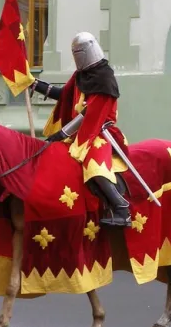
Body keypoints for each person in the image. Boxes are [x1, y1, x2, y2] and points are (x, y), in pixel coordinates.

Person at [29, 32, 131, 227]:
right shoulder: (81, 75)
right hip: (78, 132)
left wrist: (60, 134)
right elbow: (65, 95)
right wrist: (36, 84)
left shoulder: (104, 78)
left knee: (95, 167)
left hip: (99, 132)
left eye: (79, 52)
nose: (77, 56)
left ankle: (122, 209)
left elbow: (89, 114)